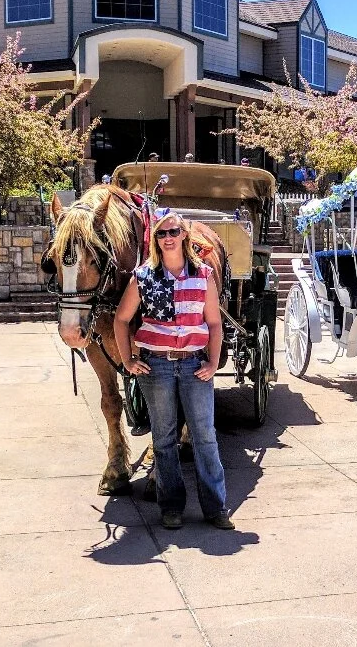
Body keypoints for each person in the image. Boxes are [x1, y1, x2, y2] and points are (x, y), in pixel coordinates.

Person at [114, 210, 233, 530]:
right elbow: (122, 319)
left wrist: (212, 361)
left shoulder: (203, 275)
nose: (168, 238)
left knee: (205, 437)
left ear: (184, 235)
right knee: (164, 440)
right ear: (156, 239)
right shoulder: (143, 277)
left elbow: (214, 322)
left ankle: (216, 508)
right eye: (162, 234)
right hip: (157, 367)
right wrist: (127, 360)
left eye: (173, 232)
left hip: (195, 365)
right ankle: (171, 507)